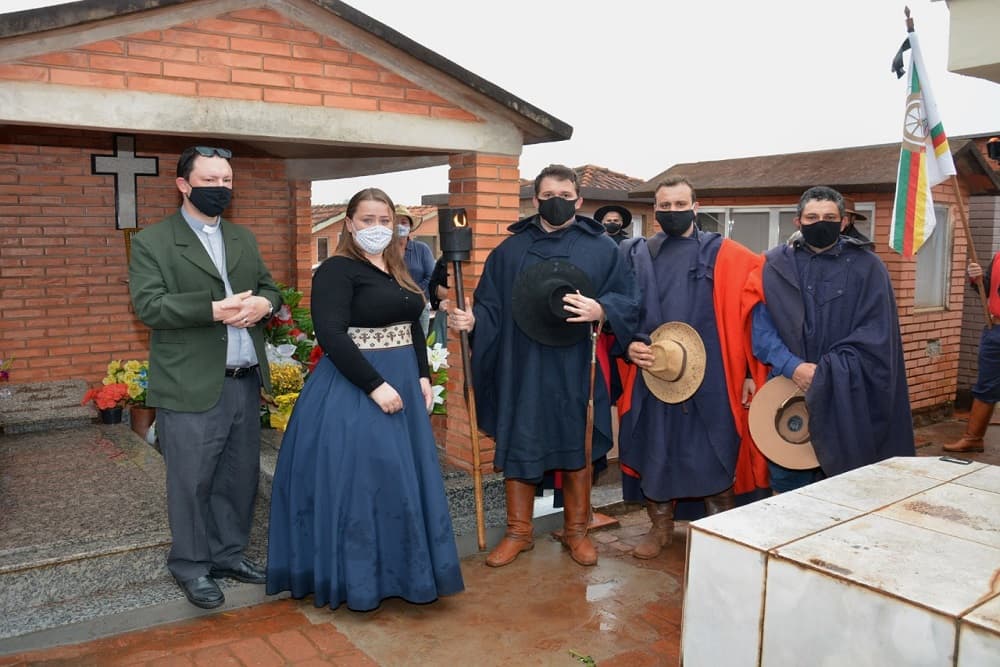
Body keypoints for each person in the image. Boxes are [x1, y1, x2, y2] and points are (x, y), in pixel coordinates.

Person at [266, 188, 464, 611]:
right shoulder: (336, 270)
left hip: (403, 385)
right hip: (355, 388)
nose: (377, 228)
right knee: (363, 485)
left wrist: (422, 376)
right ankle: (359, 579)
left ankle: (404, 572)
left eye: (384, 220)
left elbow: (412, 325)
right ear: (349, 224)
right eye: (368, 219)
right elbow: (332, 335)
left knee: (401, 485)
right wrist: (375, 385)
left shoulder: (396, 268)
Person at [449, 164, 639, 568]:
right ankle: (519, 533)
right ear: (535, 200)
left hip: (575, 365)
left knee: (579, 440)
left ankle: (576, 532)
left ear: (579, 200)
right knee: (522, 438)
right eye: (549, 195)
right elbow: (491, 304)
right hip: (524, 364)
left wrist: (602, 308)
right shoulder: (510, 251)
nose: (558, 202)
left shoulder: (602, 248)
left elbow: (628, 298)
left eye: (566, 196)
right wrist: (474, 321)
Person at [129, 146, 282, 609]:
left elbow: (270, 286)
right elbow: (149, 306)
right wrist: (212, 310)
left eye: (226, 181)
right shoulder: (152, 242)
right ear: (183, 184)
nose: (220, 189)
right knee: (191, 481)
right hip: (189, 384)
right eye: (210, 180)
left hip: (243, 379)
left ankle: (228, 555)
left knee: (239, 479)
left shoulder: (242, 238)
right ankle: (192, 566)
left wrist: (265, 304)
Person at [618, 176, 768, 560]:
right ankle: (660, 527)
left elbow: (754, 312)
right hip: (658, 369)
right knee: (656, 444)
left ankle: (721, 529)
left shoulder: (728, 255)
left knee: (714, 446)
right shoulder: (639, 254)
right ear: (654, 210)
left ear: (696, 207)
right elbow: (619, 308)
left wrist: (751, 372)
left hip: (715, 371)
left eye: (679, 204)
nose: (672, 212)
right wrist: (630, 341)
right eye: (664, 206)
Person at [748, 186, 915, 492]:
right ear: (797, 221)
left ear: (842, 223)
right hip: (787, 391)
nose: (819, 223)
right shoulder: (774, 265)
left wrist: (826, 373)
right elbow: (760, 328)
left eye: (829, 217)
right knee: (788, 492)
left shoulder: (869, 268)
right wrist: (793, 366)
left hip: (847, 398)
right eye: (812, 217)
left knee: (842, 492)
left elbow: (876, 336)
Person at [944, 257, 999, 453]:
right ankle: (973, 438)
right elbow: (987, 290)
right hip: (995, 330)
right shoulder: (999, 257)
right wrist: (977, 279)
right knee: (986, 386)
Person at [396, 205, 435, 334]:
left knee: (420, 346)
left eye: (403, 222)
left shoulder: (422, 249)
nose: (399, 226)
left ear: (410, 226)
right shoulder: (384, 251)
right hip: (393, 307)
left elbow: (431, 276)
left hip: (419, 306)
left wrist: (412, 294)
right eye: (396, 222)